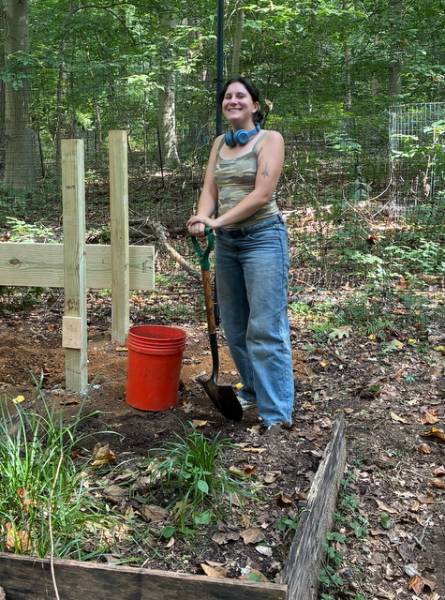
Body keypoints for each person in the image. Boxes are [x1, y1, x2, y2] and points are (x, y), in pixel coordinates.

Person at [187, 77, 294, 432]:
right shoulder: (220, 143)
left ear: (255, 105)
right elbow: (210, 189)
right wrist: (204, 216)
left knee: (265, 327)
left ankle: (276, 412)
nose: (233, 100)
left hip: (263, 238)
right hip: (229, 245)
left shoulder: (270, 140)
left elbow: (262, 195)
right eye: (228, 96)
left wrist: (216, 221)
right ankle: (251, 388)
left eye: (240, 96)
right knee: (234, 326)